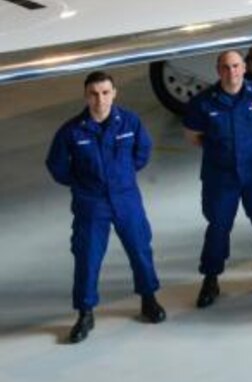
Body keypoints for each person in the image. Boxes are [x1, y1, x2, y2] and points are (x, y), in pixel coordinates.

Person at [46, 71, 166, 344]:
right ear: (86, 96)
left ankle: (149, 299)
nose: (100, 99)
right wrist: (81, 184)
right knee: (87, 256)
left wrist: (123, 176)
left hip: (126, 198)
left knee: (139, 248)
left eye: (105, 93)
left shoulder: (130, 122)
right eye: (94, 94)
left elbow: (142, 152)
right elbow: (57, 166)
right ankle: (85, 312)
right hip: (91, 202)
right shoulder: (72, 131)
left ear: (114, 93)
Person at [183, 50, 252, 308]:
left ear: (244, 68)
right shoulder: (203, 103)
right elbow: (193, 135)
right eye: (225, 67)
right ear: (218, 70)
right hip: (219, 177)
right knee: (218, 227)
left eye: (235, 66)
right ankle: (211, 278)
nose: (231, 72)